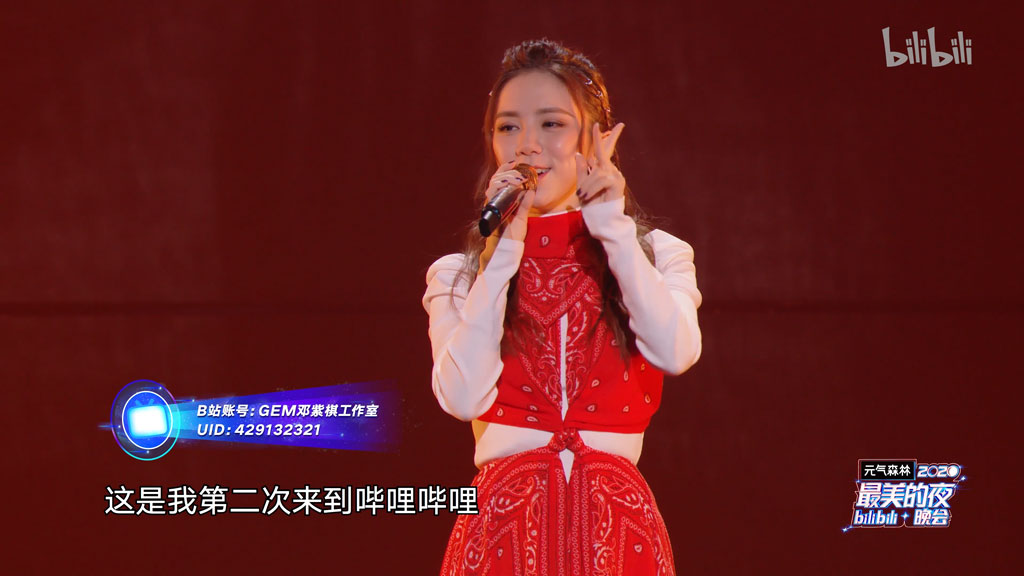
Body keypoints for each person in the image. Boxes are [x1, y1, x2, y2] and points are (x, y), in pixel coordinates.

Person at [422, 39, 702, 576]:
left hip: (617, 533)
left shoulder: (656, 254)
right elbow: (461, 397)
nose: (527, 145)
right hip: (502, 532)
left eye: (551, 124)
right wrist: (502, 253)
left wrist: (612, 228)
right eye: (508, 127)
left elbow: (676, 352)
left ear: (596, 139)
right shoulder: (458, 274)